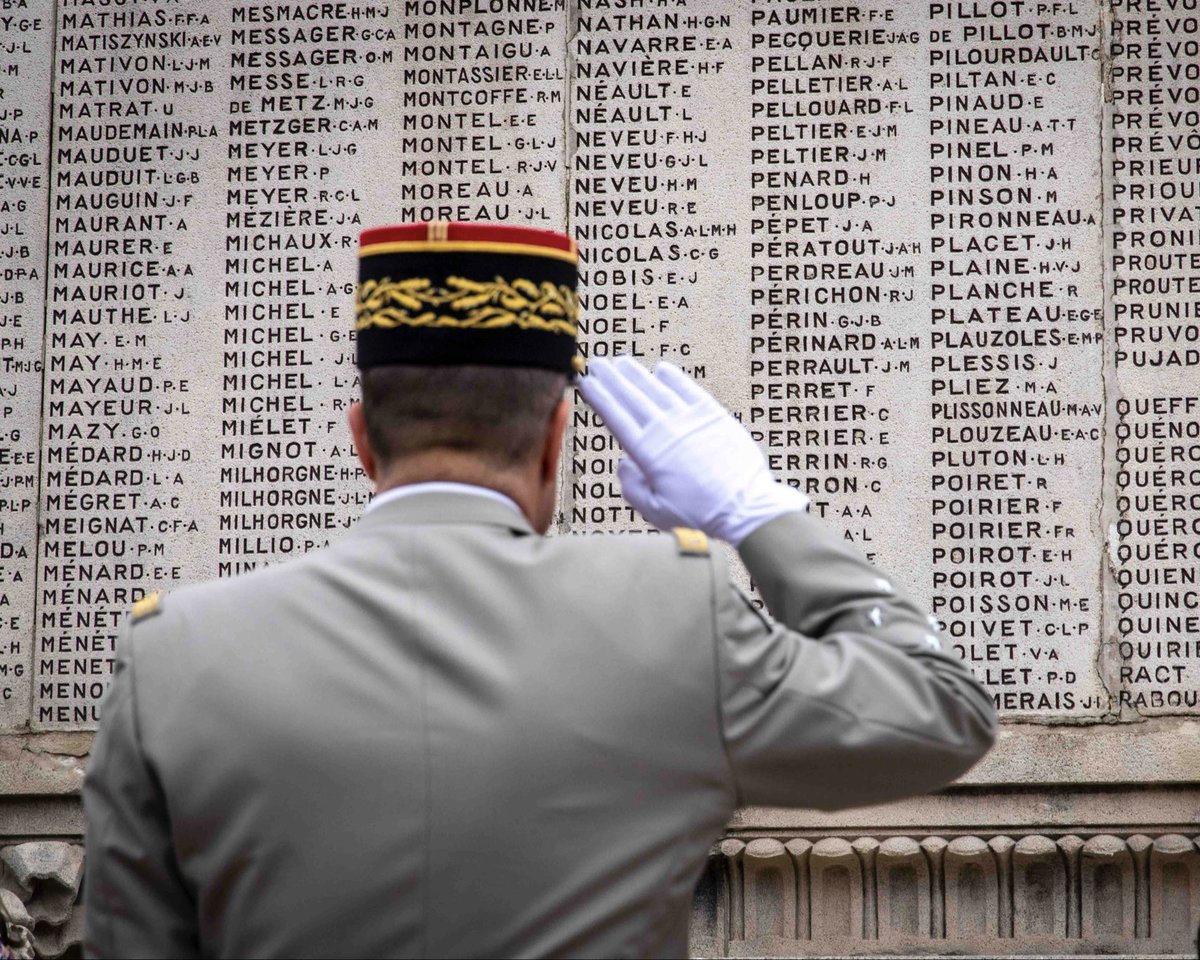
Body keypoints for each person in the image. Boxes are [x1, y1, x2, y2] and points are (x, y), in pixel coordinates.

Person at [82, 222, 997, 959]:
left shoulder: (172, 655)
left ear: (361, 438)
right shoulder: (668, 615)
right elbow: (940, 709)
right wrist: (759, 512)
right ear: (558, 437)